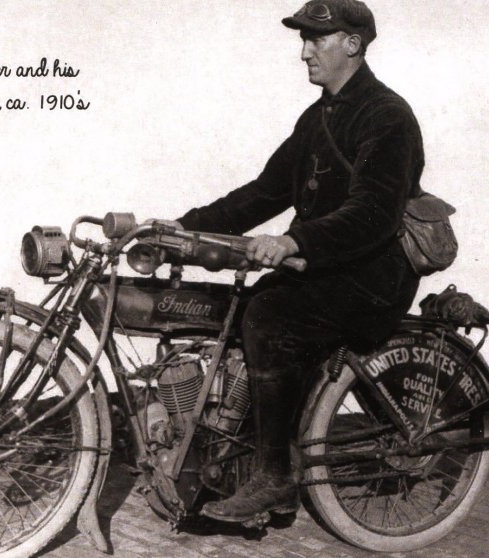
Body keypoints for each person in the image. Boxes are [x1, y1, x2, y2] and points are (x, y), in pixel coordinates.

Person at [174, 0, 425, 524]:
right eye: (303, 41)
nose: (304, 53)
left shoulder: (388, 116)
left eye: (316, 40)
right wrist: (184, 229)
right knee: (241, 304)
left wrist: (295, 243)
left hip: (374, 274)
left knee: (270, 317)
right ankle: (239, 448)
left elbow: (374, 214)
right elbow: (264, 192)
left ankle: (276, 479)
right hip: (329, 266)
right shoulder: (319, 117)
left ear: (352, 44)